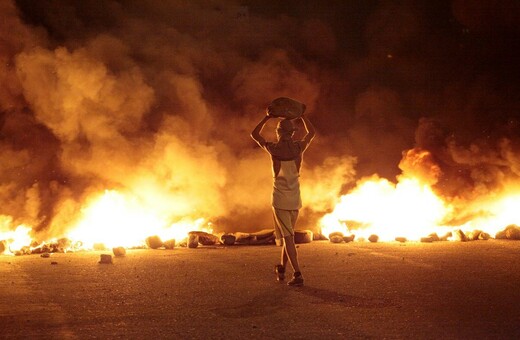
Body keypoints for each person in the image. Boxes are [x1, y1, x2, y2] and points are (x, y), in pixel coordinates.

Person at [250, 105, 315, 286]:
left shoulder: (273, 149)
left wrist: (267, 118)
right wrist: (302, 115)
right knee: (289, 236)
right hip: (295, 200)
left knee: (288, 238)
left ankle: (298, 274)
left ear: (278, 133)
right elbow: (311, 133)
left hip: (279, 200)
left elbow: (254, 135)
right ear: (293, 133)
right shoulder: (298, 148)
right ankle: (282, 268)